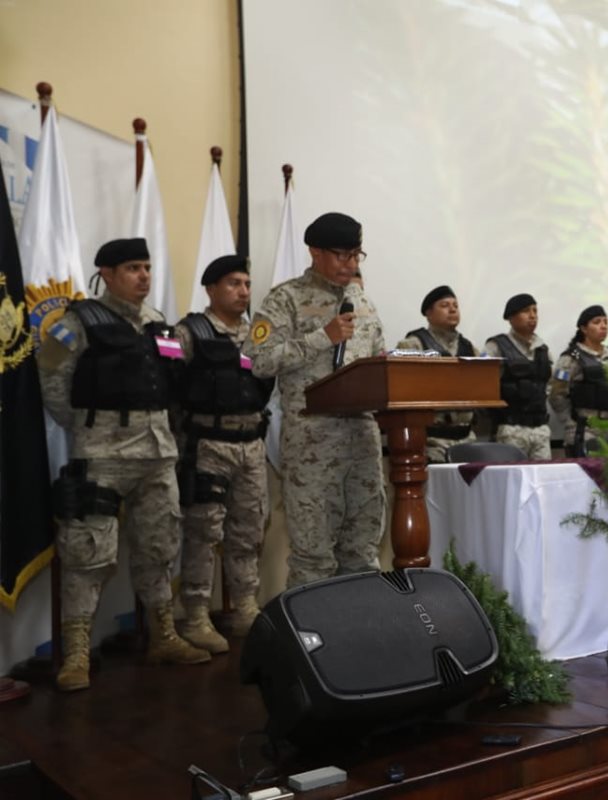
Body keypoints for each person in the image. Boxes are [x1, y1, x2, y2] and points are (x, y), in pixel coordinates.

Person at [38, 237, 210, 691]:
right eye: (133, 268)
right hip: (103, 453)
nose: (144, 276)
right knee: (87, 552)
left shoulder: (158, 323)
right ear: (107, 275)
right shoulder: (76, 323)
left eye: (147, 267)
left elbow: (172, 380)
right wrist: (90, 427)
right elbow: (52, 379)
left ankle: (163, 636)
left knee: (160, 545)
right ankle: (77, 654)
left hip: (157, 451)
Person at [243, 212, 387, 588]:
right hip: (312, 446)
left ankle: (361, 624)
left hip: (363, 442)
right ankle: (311, 628)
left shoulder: (363, 302)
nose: (350, 264)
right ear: (315, 252)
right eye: (341, 255)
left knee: (363, 555)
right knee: (313, 559)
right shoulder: (285, 299)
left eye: (356, 255)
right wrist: (322, 337)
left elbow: (378, 364)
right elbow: (257, 360)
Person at [174, 255, 272, 654]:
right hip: (208, 445)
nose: (243, 291)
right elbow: (169, 388)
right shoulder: (189, 332)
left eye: (247, 284)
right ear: (211, 288)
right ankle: (196, 615)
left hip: (251, 444)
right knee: (203, 532)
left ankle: (245, 607)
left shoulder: (258, 335)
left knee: (249, 531)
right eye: (233, 283)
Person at [398, 285, 478, 463]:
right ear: (428, 313)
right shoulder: (413, 345)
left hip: (467, 439)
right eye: (444, 305)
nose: (452, 310)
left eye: (455, 306)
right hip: (431, 441)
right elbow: (403, 391)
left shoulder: (470, 348)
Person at [548, 305, 608, 456]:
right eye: (597, 322)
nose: (603, 326)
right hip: (585, 429)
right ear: (584, 328)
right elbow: (556, 394)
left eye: (605, 322)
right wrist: (570, 421)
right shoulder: (571, 358)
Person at [483, 293, 551, 460]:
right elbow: (483, 384)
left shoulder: (543, 349)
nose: (532, 315)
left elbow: (549, 385)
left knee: (543, 475)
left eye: (535, 310)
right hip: (510, 429)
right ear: (511, 317)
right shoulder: (496, 347)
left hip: (540, 430)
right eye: (526, 311)